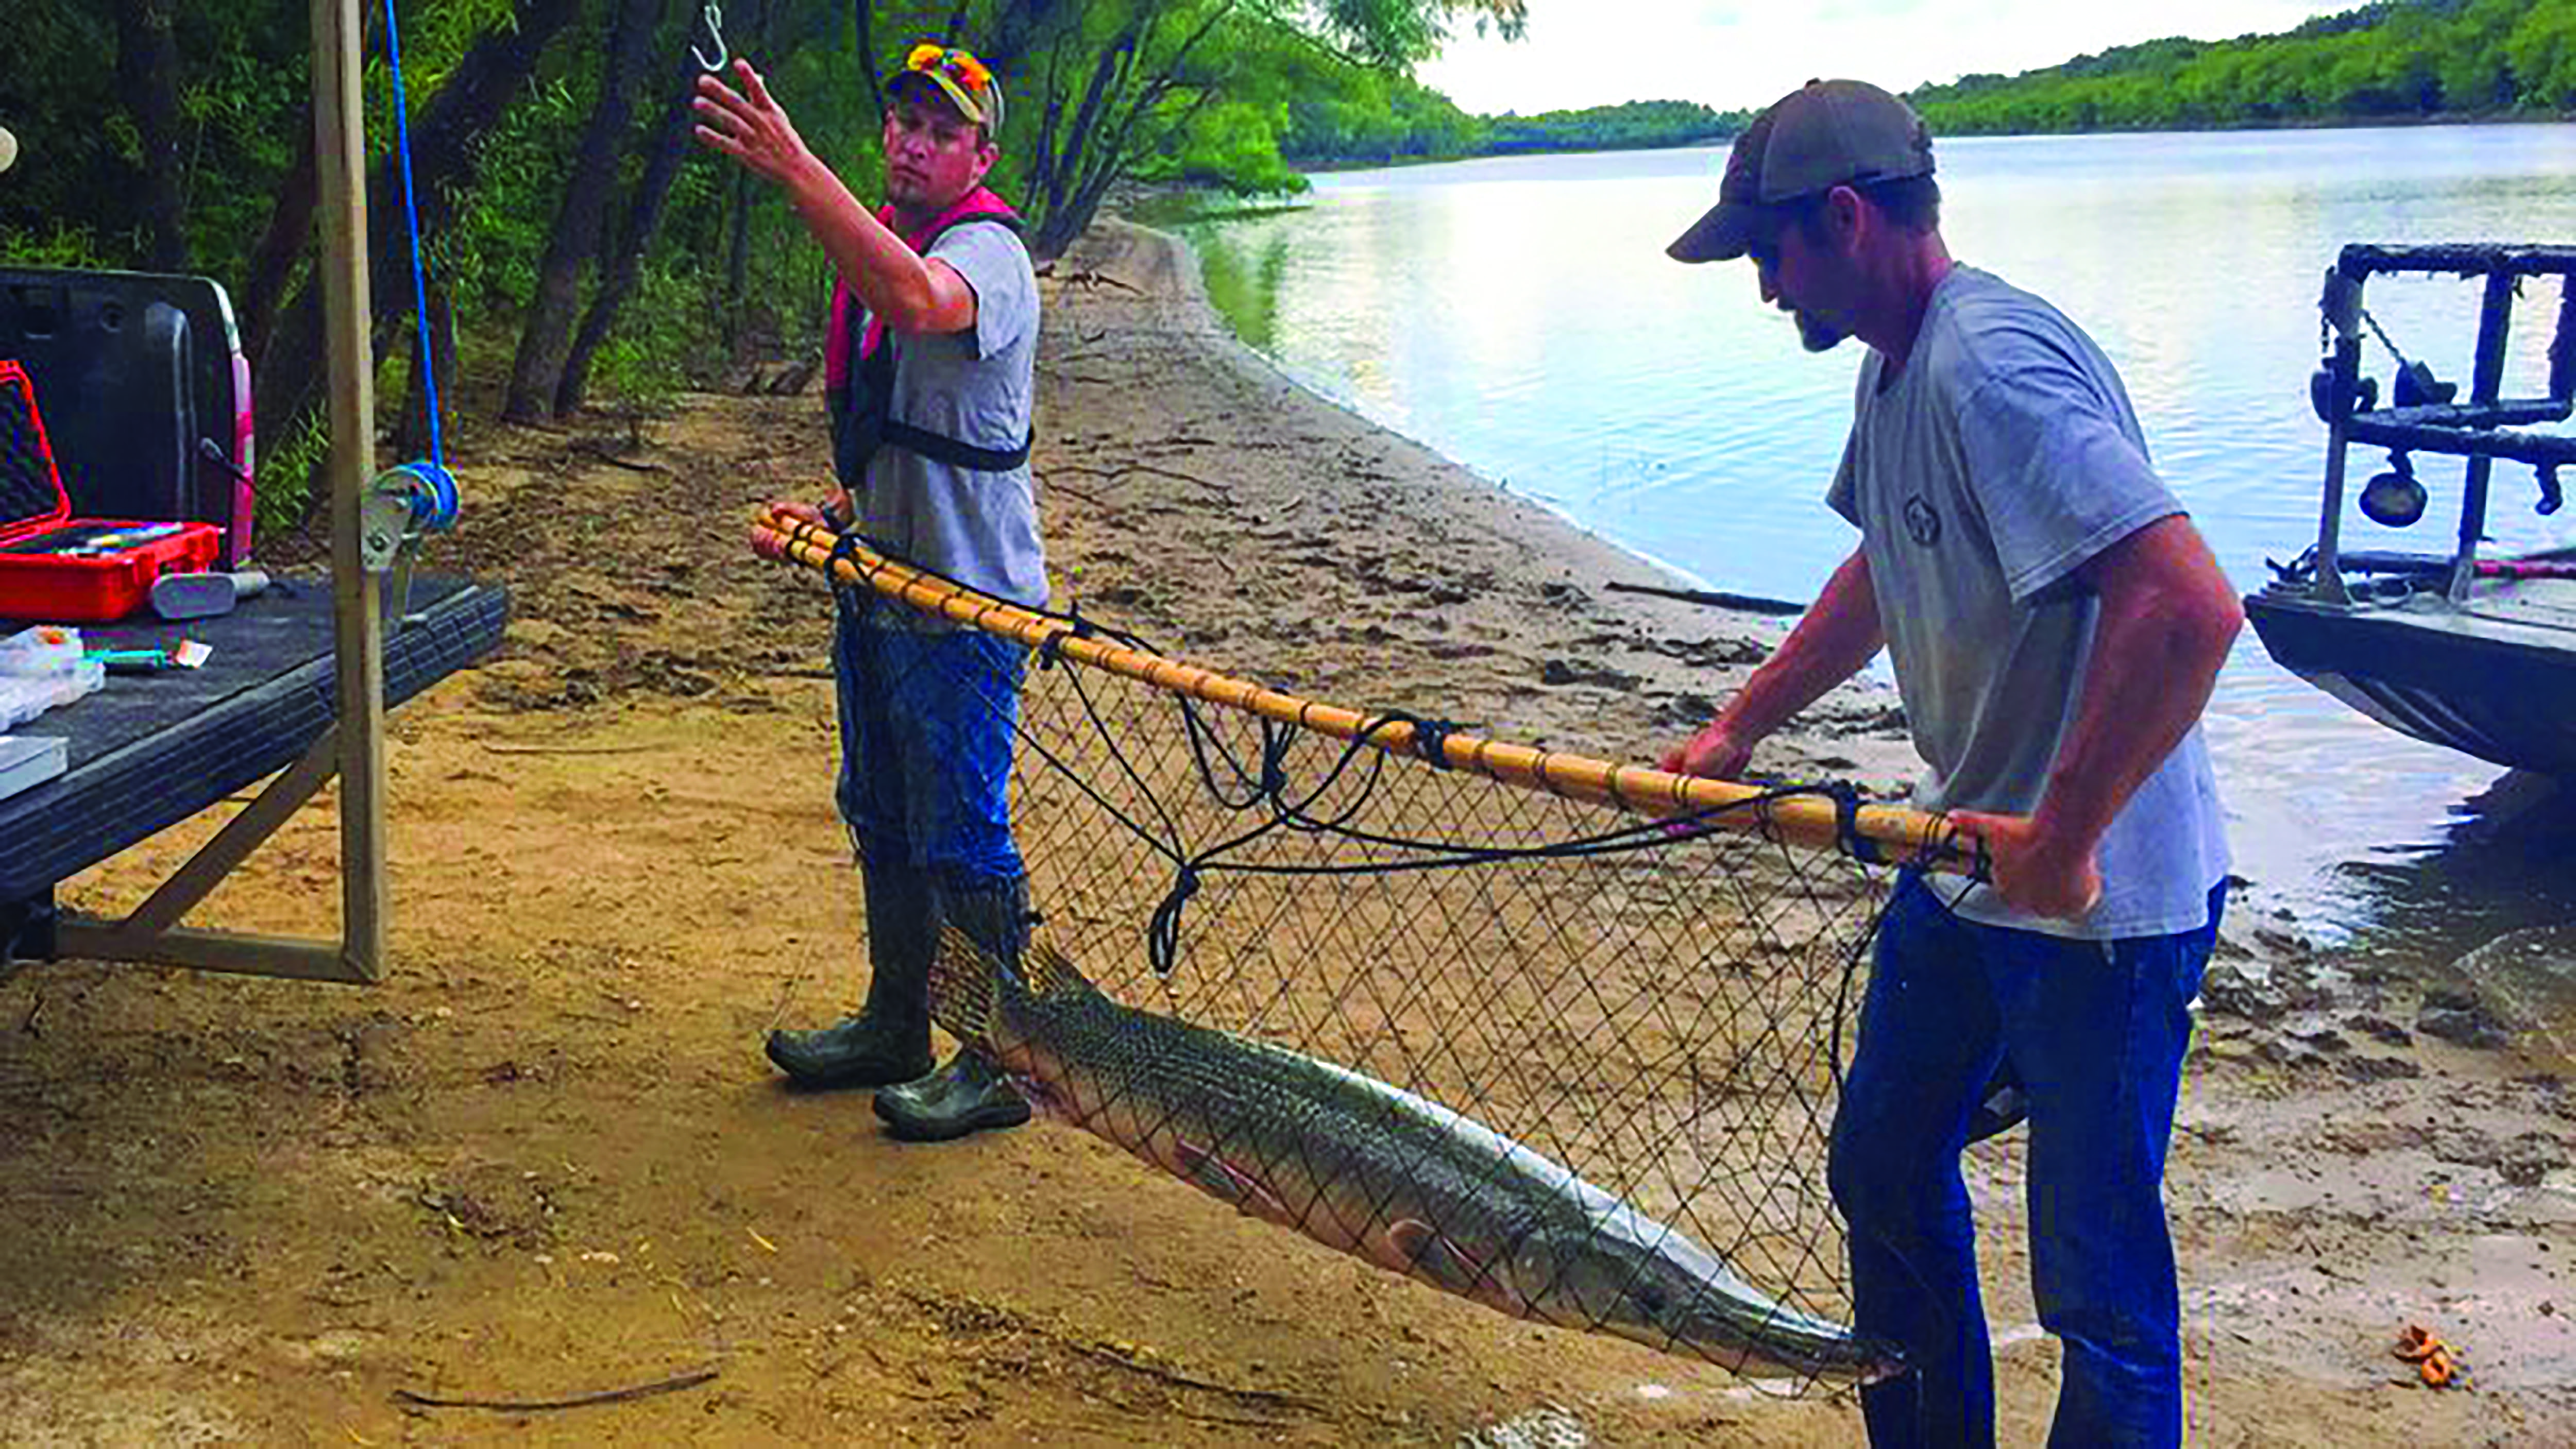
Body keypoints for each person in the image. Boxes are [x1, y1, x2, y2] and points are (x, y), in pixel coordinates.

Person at [1660, 80, 2243, 1447]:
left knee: (2096, 1277)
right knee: (1883, 1158)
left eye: (1769, 252)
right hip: (1965, 869)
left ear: (1847, 219)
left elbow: (2192, 604)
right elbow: (1880, 566)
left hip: (2103, 907)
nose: (1761, 286)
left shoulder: (1994, 364)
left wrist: (2064, 832)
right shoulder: (1895, 360)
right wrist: (1743, 725)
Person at [694, 42, 1045, 1143]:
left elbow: (913, 299)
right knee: (881, 810)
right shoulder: (885, 239)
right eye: (902, 122)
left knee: (964, 833)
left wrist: (794, 165)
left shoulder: (986, 254)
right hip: (877, 588)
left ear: (980, 154)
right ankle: (897, 1021)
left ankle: (993, 1060)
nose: (914, 141)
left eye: (942, 130)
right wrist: (838, 520)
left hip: (965, 610)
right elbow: (908, 435)